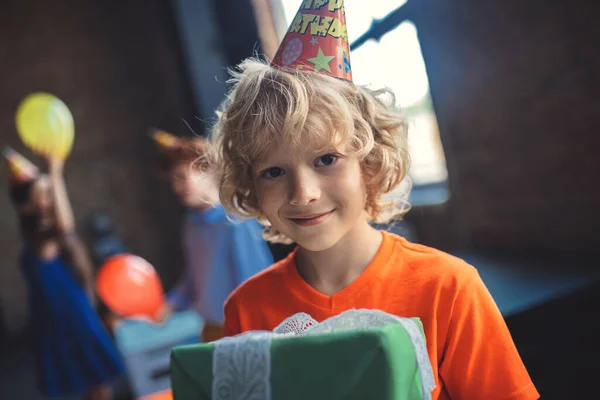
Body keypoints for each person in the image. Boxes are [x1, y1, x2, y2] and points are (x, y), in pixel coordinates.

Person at [210, 1, 540, 399]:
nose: (304, 193)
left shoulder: (447, 288)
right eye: (274, 172)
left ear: (369, 163)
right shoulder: (245, 311)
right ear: (251, 187)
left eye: (326, 159)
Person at [3, 147, 125, 400]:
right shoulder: (40, 239)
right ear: (26, 207)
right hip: (65, 321)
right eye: (45, 194)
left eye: (51, 193)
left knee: (99, 386)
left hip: (77, 314)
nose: (51, 198)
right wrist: (55, 173)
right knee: (94, 384)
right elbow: (65, 227)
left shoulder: (53, 238)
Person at [151, 130, 273, 341]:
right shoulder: (191, 224)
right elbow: (193, 278)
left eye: (181, 177)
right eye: (173, 180)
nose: (176, 187)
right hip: (212, 329)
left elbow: (255, 281)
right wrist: (170, 303)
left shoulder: (235, 221)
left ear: (207, 170)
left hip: (244, 330)